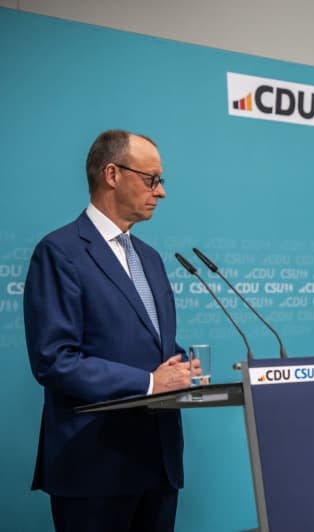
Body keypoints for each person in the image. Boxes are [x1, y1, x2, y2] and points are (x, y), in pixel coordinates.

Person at [24, 130, 199, 532]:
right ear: (112, 174)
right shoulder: (60, 251)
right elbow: (54, 360)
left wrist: (181, 368)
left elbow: (153, 341)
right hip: (95, 466)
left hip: (157, 462)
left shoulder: (150, 258)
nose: (161, 192)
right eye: (152, 179)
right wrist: (150, 382)